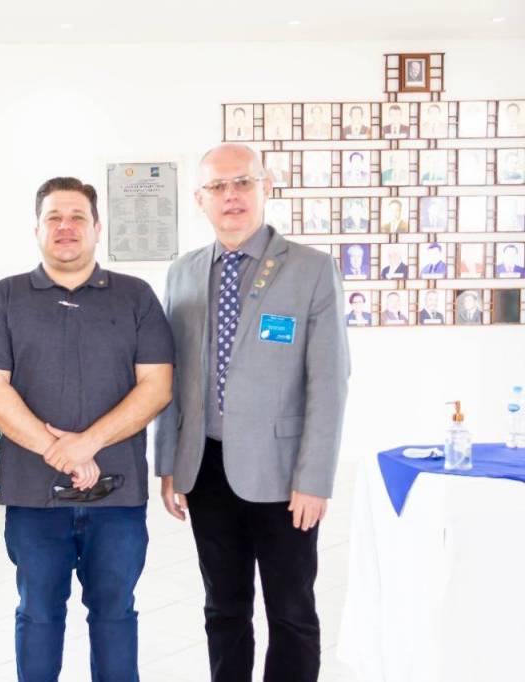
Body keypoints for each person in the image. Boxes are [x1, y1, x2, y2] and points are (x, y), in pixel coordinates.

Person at [154, 143, 349, 682]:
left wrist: (314, 479)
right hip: (206, 470)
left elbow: (329, 382)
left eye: (243, 182)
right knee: (223, 609)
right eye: (217, 187)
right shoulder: (183, 273)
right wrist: (168, 463)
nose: (231, 196)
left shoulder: (311, 269)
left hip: (284, 476)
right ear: (200, 199)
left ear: (267, 186)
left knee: (291, 612)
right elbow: (170, 377)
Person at [0, 176, 174, 682]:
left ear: (97, 227)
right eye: (54, 218)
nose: (66, 227)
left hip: (118, 497)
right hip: (33, 497)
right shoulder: (4, 298)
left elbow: (157, 386)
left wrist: (88, 444)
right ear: (36, 230)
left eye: (78, 217)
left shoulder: (136, 296)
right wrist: (60, 451)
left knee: (115, 614)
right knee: (38, 614)